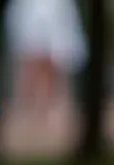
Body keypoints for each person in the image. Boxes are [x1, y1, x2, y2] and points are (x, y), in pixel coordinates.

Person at [6, 0, 86, 133]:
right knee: (31, 70)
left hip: (52, 22)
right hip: (33, 22)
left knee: (51, 72)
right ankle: (31, 113)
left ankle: (47, 114)